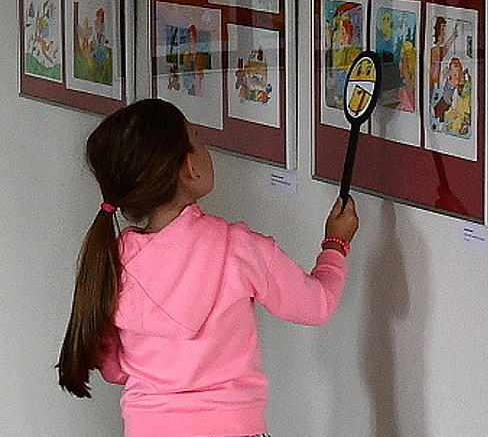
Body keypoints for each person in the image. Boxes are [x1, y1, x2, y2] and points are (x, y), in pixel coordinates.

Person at [57, 98, 359, 437]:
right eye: (197, 138)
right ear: (189, 167)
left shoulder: (112, 261)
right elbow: (316, 305)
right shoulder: (238, 248)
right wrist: (336, 244)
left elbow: (114, 370)